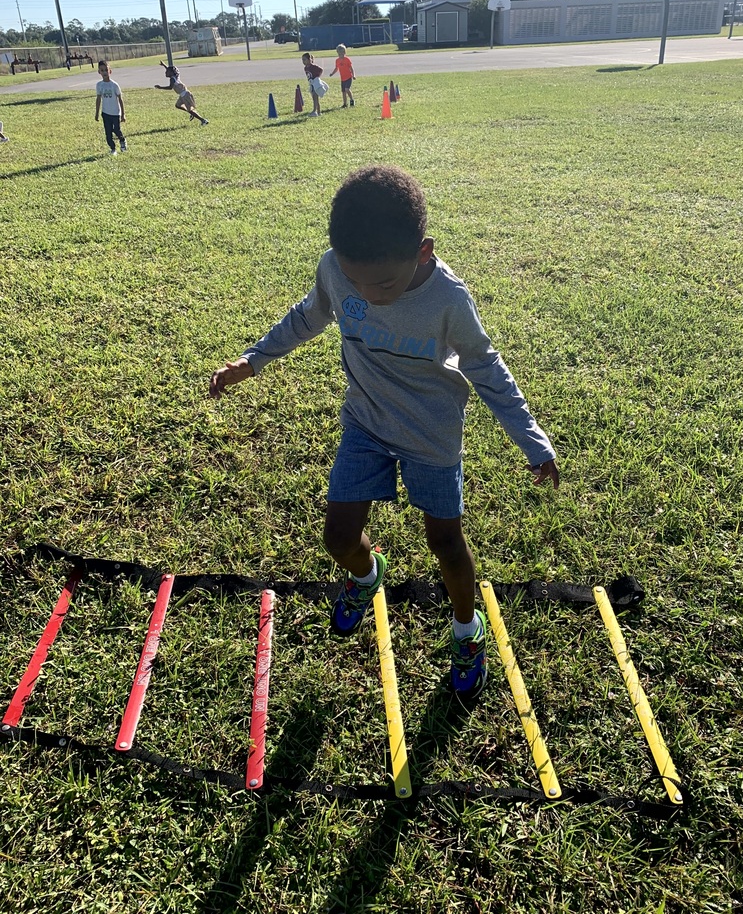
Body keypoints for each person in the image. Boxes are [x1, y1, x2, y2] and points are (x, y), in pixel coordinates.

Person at [209, 165, 559, 701]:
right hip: (366, 423)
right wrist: (252, 360)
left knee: (444, 541)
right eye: (357, 282)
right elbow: (309, 316)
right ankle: (367, 576)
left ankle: (468, 632)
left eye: (384, 284)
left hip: (431, 434)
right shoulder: (336, 269)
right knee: (339, 538)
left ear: (423, 251)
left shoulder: (448, 298)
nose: (368, 296)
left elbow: (485, 366)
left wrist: (532, 439)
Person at [95, 60, 126, 155]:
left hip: (115, 113)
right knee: (108, 133)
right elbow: (98, 99)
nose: (104, 72)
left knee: (116, 130)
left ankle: (122, 140)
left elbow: (120, 99)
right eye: (102, 70)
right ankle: (113, 149)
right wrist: (96, 113)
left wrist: (123, 114)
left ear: (110, 71)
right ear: (99, 72)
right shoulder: (99, 85)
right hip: (105, 113)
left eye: (106, 70)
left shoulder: (114, 85)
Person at [302, 52, 324, 117]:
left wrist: (317, 77)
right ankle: (319, 112)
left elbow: (321, 69)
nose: (303, 61)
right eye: (302, 60)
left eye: (304, 60)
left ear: (309, 59)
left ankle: (314, 111)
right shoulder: (305, 68)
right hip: (311, 84)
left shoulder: (313, 67)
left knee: (315, 97)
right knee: (315, 98)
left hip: (315, 83)